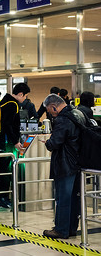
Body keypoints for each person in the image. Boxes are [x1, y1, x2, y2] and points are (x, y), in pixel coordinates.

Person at [42, 94, 85, 239]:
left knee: (63, 198)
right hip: (77, 162)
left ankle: (61, 230)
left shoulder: (62, 119)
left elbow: (55, 143)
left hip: (64, 163)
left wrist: (47, 142)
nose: (50, 113)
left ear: (54, 106)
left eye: (50, 110)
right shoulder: (77, 114)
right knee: (74, 197)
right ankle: (72, 228)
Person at [0, 83, 30, 209]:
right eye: (25, 96)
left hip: (1, 139)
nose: (25, 99)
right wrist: (15, 141)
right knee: (6, 169)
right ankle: (2, 198)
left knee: (4, 168)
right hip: (6, 141)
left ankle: (0, 197)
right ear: (20, 94)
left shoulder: (4, 101)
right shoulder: (12, 104)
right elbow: (8, 125)